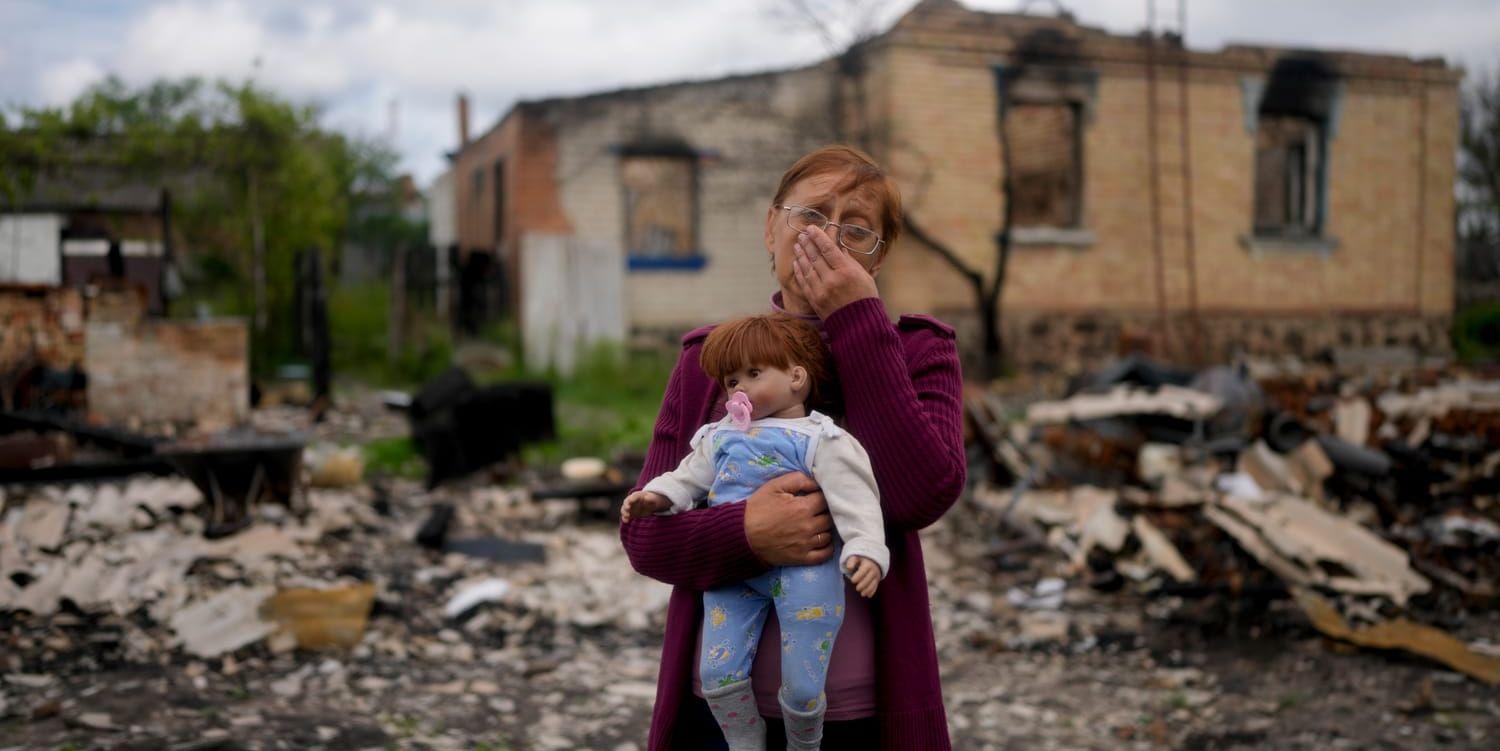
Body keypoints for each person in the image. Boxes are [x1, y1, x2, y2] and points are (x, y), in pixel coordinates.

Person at [620, 144, 966, 750]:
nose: (828, 240)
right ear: (770, 229)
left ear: (878, 258)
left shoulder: (919, 351)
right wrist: (747, 534)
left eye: (855, 230)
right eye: (810, 216)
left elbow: (919, 496)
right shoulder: (714, 360)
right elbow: (645, 535)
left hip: (862, 714)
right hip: (720, 711)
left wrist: (857, 320)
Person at [622, 313, 888, 750]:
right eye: (730, 381)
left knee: (804, 681)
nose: (739, 387)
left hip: (807, 570)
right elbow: (687, 476)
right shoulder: (719, 437)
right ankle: (745, 739)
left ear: (796, 377)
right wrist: (657, 496)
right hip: (734, 571)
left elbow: (855, 497)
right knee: (717, 672)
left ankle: (805, 742)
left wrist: (866, 548)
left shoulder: (822, 438)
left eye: (754, 373)